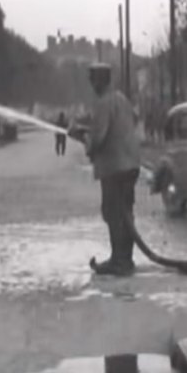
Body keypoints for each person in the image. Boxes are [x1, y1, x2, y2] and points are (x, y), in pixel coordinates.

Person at [69, 62, 141, 276]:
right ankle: (125, 259)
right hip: (130, 164)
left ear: (99, 80)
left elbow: (98, 138)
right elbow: (127, 122)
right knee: (126, 212)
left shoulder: (103, 103)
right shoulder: (121, 99)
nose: (92, 83)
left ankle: (118, 261)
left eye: (93, 79)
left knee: (112, 213)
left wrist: (82, 137)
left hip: (114, 167)